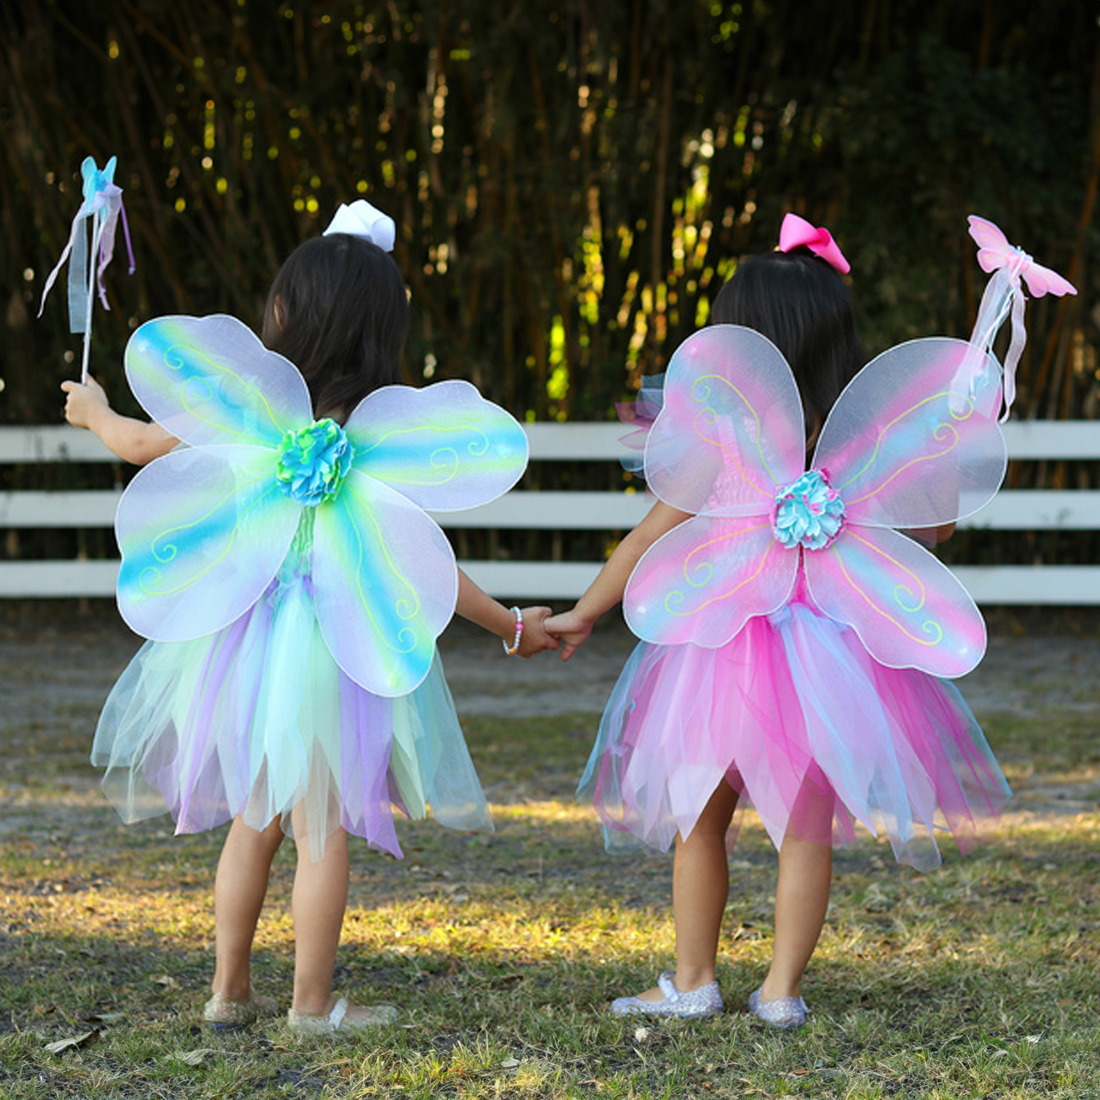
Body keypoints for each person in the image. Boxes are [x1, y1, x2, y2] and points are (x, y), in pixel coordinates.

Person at [62, 201, 558, 1035]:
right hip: (336, 651)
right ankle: (312, 1003)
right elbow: (428, 570)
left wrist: (97, 411)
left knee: (254, 822)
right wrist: (510, 627)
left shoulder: (250, 417)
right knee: (320, 827)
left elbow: (147, 444)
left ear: (287, 315)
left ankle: (228, 991)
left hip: (247, 642)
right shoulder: (377, 441)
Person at [544, 214, 1012, 1029]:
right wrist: (949, 446)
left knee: (700, 820)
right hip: (826, 661)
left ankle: (693, 980)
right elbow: (933, 530)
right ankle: (781, 992)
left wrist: (587, 610)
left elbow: (652, 535)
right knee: (806, 828)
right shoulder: (863, 443)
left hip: (720, 654)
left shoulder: (725, 439)